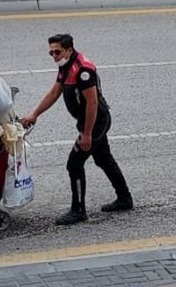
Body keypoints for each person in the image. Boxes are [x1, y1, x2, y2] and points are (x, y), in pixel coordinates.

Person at [21, 34, 133, 225]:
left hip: (96, 121)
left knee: (74, 164)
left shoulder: (82, 70)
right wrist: (35, 114)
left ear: (69, 50)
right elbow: (55, 91)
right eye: (51, 52)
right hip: (88, 121)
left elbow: (93, 104)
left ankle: (78, 210)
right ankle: (124, 198)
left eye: (57, 52)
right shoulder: (65, 65)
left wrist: (87, 133)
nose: (54, 56)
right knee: (104, 159)